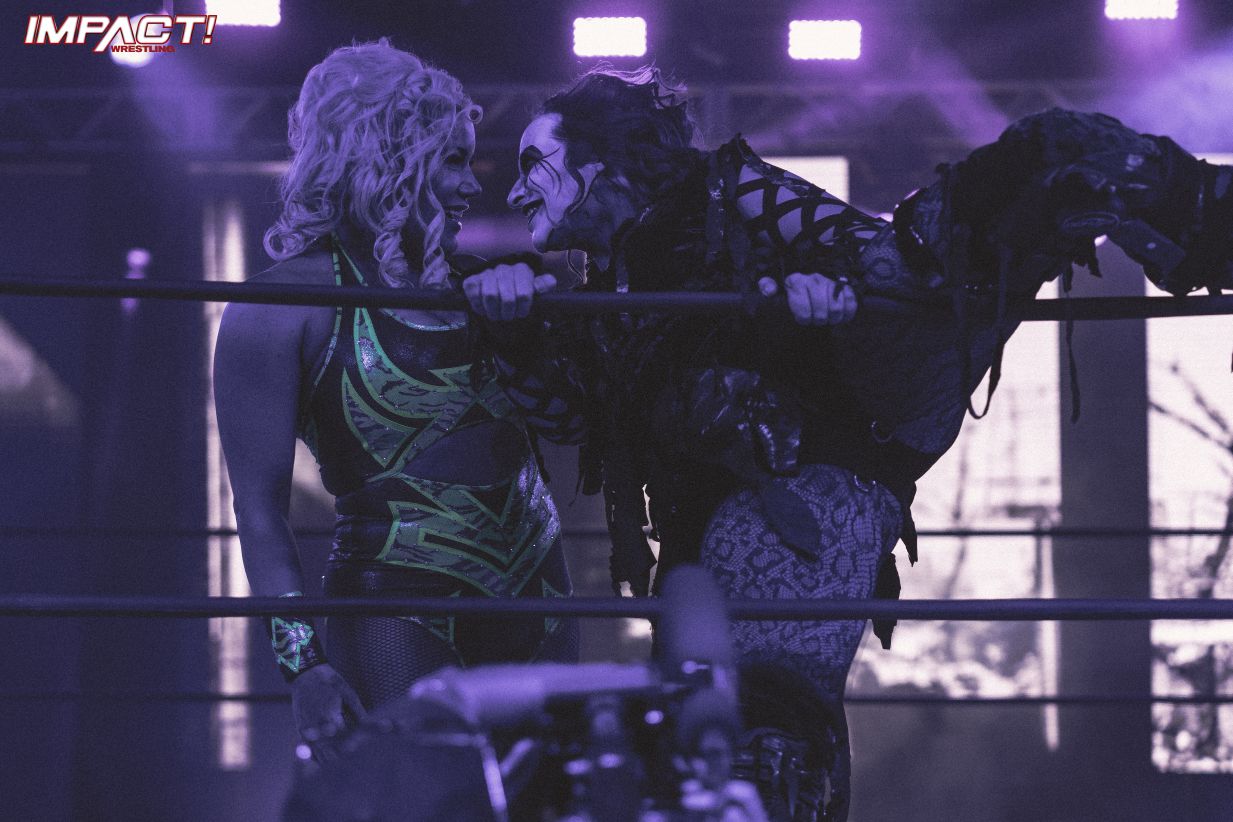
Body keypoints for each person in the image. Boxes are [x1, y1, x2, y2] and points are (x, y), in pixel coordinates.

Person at [462, 67, 1232, 820]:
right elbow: (571, 422)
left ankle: (1203, 212)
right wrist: (513, 331)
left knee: (1041, 156)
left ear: (597, 163)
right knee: (741, 737)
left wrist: (823, 290)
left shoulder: (727, 191)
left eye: (533, 163)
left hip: (841, 428)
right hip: (713, 536)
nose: (516, 189)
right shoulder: (604, 296)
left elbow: (854, 248)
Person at [213, 40, 576, 762]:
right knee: (421, 797)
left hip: (541, 588)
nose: (471, 184)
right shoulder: (278, 307)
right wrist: (302, 666)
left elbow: (571, 419)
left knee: (553, 797)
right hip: (396, 606)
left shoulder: (489, 286)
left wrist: (529, 325)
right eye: (451, 160)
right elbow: (258, 509)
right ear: (384, 159)